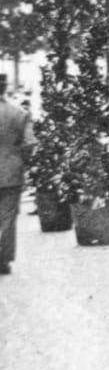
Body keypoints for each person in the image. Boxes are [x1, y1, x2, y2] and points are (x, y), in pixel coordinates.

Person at [0, 77, 34, 275]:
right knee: (7, 217)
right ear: (5, 88)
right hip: (11, 171)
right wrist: (20, 159)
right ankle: (3, 259)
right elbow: (29, 143)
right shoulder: (20, 113)